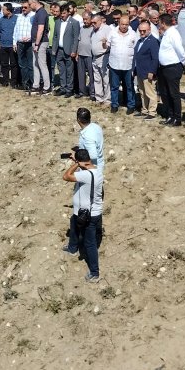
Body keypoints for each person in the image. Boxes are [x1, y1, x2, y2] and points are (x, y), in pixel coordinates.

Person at [61, 148, 103, 284]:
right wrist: (79, 163)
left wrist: (75, 165)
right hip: (84, 212)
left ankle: (95, 273)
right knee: (73, 225)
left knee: (90, 243)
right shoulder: (96, 170)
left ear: (81, 162)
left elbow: (66, 176)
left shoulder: (86, 175)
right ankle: (72, 248)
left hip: (88, 215)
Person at [157, 13, 185, 126]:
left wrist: (183, 64)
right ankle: (169, 115)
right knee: (165, 93)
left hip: (173, 67)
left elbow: (180, 50)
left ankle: (177, 118)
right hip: (164, 67)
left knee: (173, 94)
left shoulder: (173, 34)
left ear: (163, 23)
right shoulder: (166, 34)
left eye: (159, 22)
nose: (159, 25)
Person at [105, 14, 138, 114]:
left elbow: (136, 49)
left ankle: (131, 105)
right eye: (122, 24)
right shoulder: (112, 33)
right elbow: (107, 45)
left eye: (126, 24)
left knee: (129, 86)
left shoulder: (133, 34)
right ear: (119, 23)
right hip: (114, 64)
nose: (124, 26)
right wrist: (103, 43)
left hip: (128, 65)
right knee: (114, 86)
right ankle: (114, 104)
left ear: (129, 24)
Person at [52, 5, 81, 98]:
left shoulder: (74, 22)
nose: (62, 15)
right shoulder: (57, 22)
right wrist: (54, 49)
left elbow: (76, 38)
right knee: (61, 71)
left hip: (69, 50)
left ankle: (69, 89)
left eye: (64, 13)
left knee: (70, 71)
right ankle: (63, 88)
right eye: (61, 13)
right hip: (59, 50)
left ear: (69, 12)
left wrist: (74, 50)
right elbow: (55, 37)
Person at [90, 13, 113, 106]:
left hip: (104, 56)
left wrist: (104, 44)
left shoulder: (106, 29)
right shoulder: (93, 30)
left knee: (105, 79)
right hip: (95, 58)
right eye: (92, 22)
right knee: (97, 79)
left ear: (100, 21)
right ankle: (99, 98)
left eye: (94, 22)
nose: (93, 24)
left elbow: (109, 43)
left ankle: (107, 99)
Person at [0, 3, 19, 87]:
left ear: (8, 10)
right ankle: (5, 81)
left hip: (13, 46)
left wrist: (16, 43)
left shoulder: (16, 19)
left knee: (13, 64)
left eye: (3, 9)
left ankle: (13, 82)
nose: (2, 11)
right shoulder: (2, 19)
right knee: (4, 64)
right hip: (3, 45)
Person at [13, 2, 34, 91]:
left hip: (30, 44)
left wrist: (30, 38)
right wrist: (14, 42)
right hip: (20, 43)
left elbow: (36, 30)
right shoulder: (19, 17)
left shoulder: (34, 16)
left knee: (31, 64)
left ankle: (33, 83)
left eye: (25, 7)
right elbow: (16, 30)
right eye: (22, 7)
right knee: (22, 64)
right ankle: (25, 83)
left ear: (30, 7)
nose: (23, 9)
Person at [76, 107, 105, 172]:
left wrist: (80, 163)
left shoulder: (87, 136)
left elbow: (93, 155)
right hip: (99, 162)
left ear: (78, 120)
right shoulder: (96, 126)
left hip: (91, 168)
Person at [31, 0, 51, 94]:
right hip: (36, 42)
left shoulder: (42, 13)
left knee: (42, 64)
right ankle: (36, 85)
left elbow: (41, 29)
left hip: (41, 42)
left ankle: (47, 87)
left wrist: (37, 44)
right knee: (35, 64)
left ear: (35, 3)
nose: (30, 6)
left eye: (30, 4)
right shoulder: (38, 13)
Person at [76, 12, 94, 99]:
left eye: (86, 19)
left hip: (90, 55)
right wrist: (77, 53)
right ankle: (82, 91)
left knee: (91, 75)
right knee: (81, 74)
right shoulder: (81, 28)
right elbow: (79, 41)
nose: (85, 21)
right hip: (81, 54)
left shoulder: (94, 29)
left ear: (91, 19)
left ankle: (92, 92)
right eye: (83, 19)